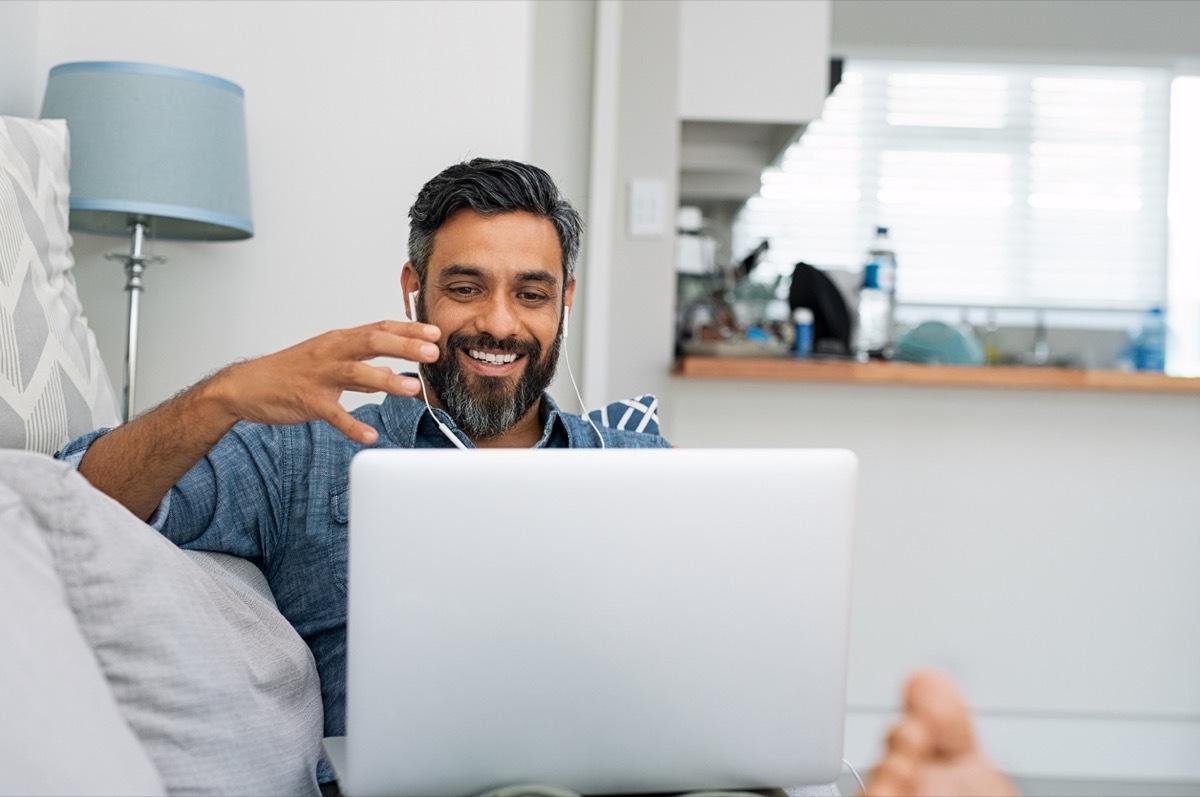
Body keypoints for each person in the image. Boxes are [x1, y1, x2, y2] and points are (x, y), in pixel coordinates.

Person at [56, 158, 672, 787]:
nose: (499, 322)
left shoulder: (649, 471)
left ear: (564, 300)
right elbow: (66, 506)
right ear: (415, 288)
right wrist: (223, 395)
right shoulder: (304, 453)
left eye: (531, 294)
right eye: (465, 288)